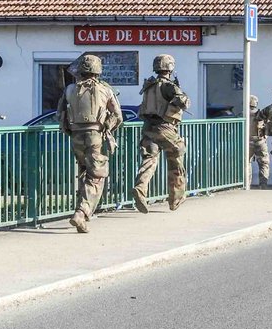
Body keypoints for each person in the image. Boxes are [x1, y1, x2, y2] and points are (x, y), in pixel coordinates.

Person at [57, 53, 122, 233]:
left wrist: (68, 129)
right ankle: (81, 212)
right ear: (97, 70)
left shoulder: (70, 89)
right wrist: (108, 127)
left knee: (84, 173)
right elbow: (118, 115)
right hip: (95, 134)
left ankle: (82, 218)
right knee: (96, 176)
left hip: (76, 134)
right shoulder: (105, 90)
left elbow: (60, 113)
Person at [133, 54, 190, 213]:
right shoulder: (168, 85)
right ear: (170, 68)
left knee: (149, 161)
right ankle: (175, 199)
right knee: (176, 160)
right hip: (165, 128)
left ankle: (140, 188)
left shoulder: (149, 85)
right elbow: (183, 102)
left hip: (148, 127)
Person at [248, 94, 271, 189]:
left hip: (248, 142)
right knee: (264, 164)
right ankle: (263, 185)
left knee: (246, 163)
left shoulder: (243, 113)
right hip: (261, 141)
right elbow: (268, 126)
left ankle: (247, 184)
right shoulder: (261, 114)